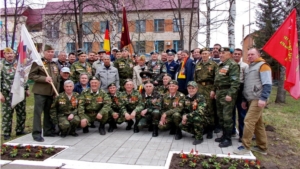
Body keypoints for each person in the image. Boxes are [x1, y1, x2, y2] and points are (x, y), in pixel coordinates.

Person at [233, 48, 272, 155]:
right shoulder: (249, 67)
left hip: (258, 98)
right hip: (250, 99)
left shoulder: (263, 66)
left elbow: (267, 84)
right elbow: (247, 85)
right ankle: (262, 147)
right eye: (248, 54)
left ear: (258, 55)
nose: (249, 56)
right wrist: (245, 100)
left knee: (248, 121)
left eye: (252, 54)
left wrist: (263, 98)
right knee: (258, 124)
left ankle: (245, 146)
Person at [29, 44, 60, 142]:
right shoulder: (38, 63)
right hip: (40, 92)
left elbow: (57, 79)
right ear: (44, 52)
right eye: (48, 52)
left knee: (48, 112)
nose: (51, 54)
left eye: (52, 52)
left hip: (51, 92)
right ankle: (37, 133)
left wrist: (56, 91)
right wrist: (44, 78)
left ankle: (47, 130)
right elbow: (32, 75)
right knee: (38, 113)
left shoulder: (54, 64)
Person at [211, 47, 240, 148]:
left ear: (230, 54)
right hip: (219, 93)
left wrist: (230, 94)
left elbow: (235, 82)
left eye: (223, 53)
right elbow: (217, 80)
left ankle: (228, 139)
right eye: (220, 53)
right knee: (221, 116)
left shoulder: (233, 65)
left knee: (227, 117)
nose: (221, 55)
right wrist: (214, 91)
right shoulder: (220, 65)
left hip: (227, 93)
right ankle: (224, 135)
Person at [1, 47, 30, 140]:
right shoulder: (1, 65)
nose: (10, 55)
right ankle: (6, 132)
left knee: (21, 112)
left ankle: (20, 129)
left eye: (11, 53)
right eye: (7, 53)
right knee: (7, 114)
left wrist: (26, 89)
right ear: (4, 55)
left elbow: (23, 77)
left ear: (14, 54)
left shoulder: (18, 64)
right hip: (7, 93)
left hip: (19, 92)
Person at [194, 47, 218, 139]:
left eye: (206, 53)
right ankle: (203, 127)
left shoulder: (214, 65)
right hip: (199, 88)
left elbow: (216, 79)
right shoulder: (198, 64)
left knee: (210, 109)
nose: (204, 55)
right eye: (203, 53)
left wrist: (213, 90)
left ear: (209, 54)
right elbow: (195, 78)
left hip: (209, 88)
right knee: (200, 108)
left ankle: (210, 129)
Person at [232, 48, 249, 142]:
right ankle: (232, 131)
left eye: (238, 54)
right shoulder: (229, 65)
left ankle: (242, 134)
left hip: (241, 89)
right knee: (231, 113)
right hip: (231, 90)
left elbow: (246, 80)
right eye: (235, 54)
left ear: (241, 55)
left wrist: (244, 96)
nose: (236, 55)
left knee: (242, 114)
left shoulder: (245, 66)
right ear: (232, 55)